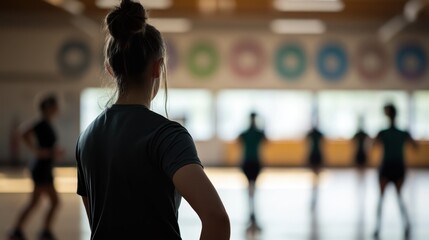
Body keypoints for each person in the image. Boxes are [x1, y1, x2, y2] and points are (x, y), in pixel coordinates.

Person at [75, 1, 230, 239]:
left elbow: (99, 222)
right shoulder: (168, 136)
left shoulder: (87, 137)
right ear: (157, 67)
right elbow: (216, 219)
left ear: (110, 69)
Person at [9, 95, 62, 240]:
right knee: (50, 202)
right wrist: (36, 150)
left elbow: (46, 145)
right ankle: (37, 231)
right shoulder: (41, 123)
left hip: (45, 167)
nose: (58, 108)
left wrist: (53, 152)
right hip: (41, 168)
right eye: (56, 105)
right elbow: (22, 132)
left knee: (38, 202)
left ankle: (21, 230)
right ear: (49, 107)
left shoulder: (47, 123)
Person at [373, 104, 418, 239]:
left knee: (382, 198)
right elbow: (415, 146)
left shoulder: (383, 133)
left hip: (387, 167)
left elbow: (372, 145)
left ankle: (377, 227)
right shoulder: (402, 133)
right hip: (398, 167)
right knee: (399, 197)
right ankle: (406, 224)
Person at [238, 112, 267, 231]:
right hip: (252, 162)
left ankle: (252, 212)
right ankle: (252, 212)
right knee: (252, 188)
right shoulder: (258, 133)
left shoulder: (246, 133)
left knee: (251, 188)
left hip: (251, 162)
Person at [306, 124, 324, 212]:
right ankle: (314, 188)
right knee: (315, 175)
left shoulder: (315, 134)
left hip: (315, 156)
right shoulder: (314, 134)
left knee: (316, 175)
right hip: (315, 155)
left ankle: (315, 188)